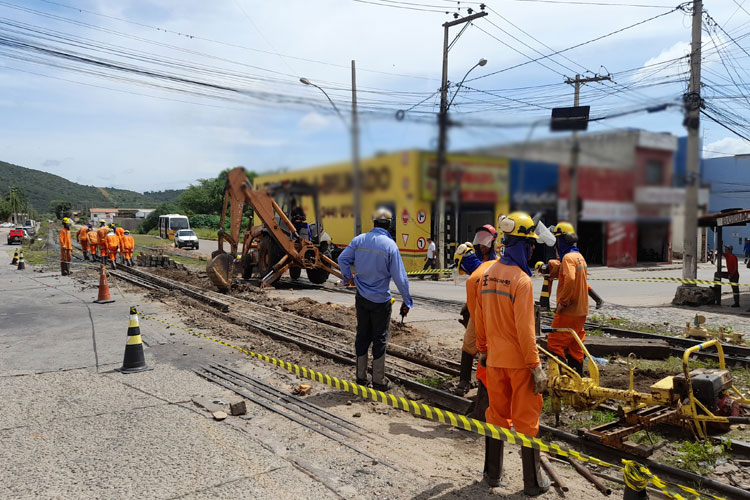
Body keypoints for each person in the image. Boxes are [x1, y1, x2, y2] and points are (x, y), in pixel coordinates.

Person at [474, 211, 549, 495]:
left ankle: (493, 475)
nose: (532, 250)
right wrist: (535, 366)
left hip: (494, 362)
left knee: (496, 416)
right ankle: (532, 483)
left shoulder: (488, 274)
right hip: (519, 364)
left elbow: (479, 318)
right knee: (527, 422)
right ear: (524, 245)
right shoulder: (521, 281)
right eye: (530, 245)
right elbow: (525, 330)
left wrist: (482, 350)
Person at [338, 208, 413, 391]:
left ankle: (361, 377)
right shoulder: (390, 246)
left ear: (373, 223)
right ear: (389, 226)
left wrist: (348, 277)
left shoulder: (359, 240)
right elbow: (400, 278)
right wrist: (407, 301)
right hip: (380, 301)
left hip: (362, 297)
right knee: (379, 338)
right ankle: (378, 380)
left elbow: (342, 259)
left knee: (362, 335)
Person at [454, 227, 499, 396]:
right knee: (470, 346)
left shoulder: (497, 262)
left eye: (485, 244)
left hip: (487, 313)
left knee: (482, 347)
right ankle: (466, 381)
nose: (482, 247)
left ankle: (484, 387)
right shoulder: (482, 261)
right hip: (482, 310)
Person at [547, 222, 589, 376]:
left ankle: (561, 381)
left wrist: (563, 303)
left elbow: (570, 279)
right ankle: (577, 379)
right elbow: (577, 280)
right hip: (581, 311)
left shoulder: (568, 258)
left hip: (568, 311)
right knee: (575, 345)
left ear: (561, 240)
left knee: (554, 343)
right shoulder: (579, 257)